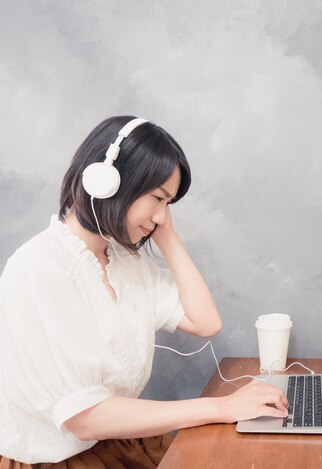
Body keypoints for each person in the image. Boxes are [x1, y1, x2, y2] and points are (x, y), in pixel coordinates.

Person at [0, 116, 288, 467]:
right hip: (65, 461)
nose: (163, 216)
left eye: (169, 204)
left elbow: (205, 322)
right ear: (106, 183)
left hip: (125, 443)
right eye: (157, 198)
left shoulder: (123, 260)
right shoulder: (40, 270)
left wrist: (165, 233)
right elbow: (84, 417)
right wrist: (221, 407)